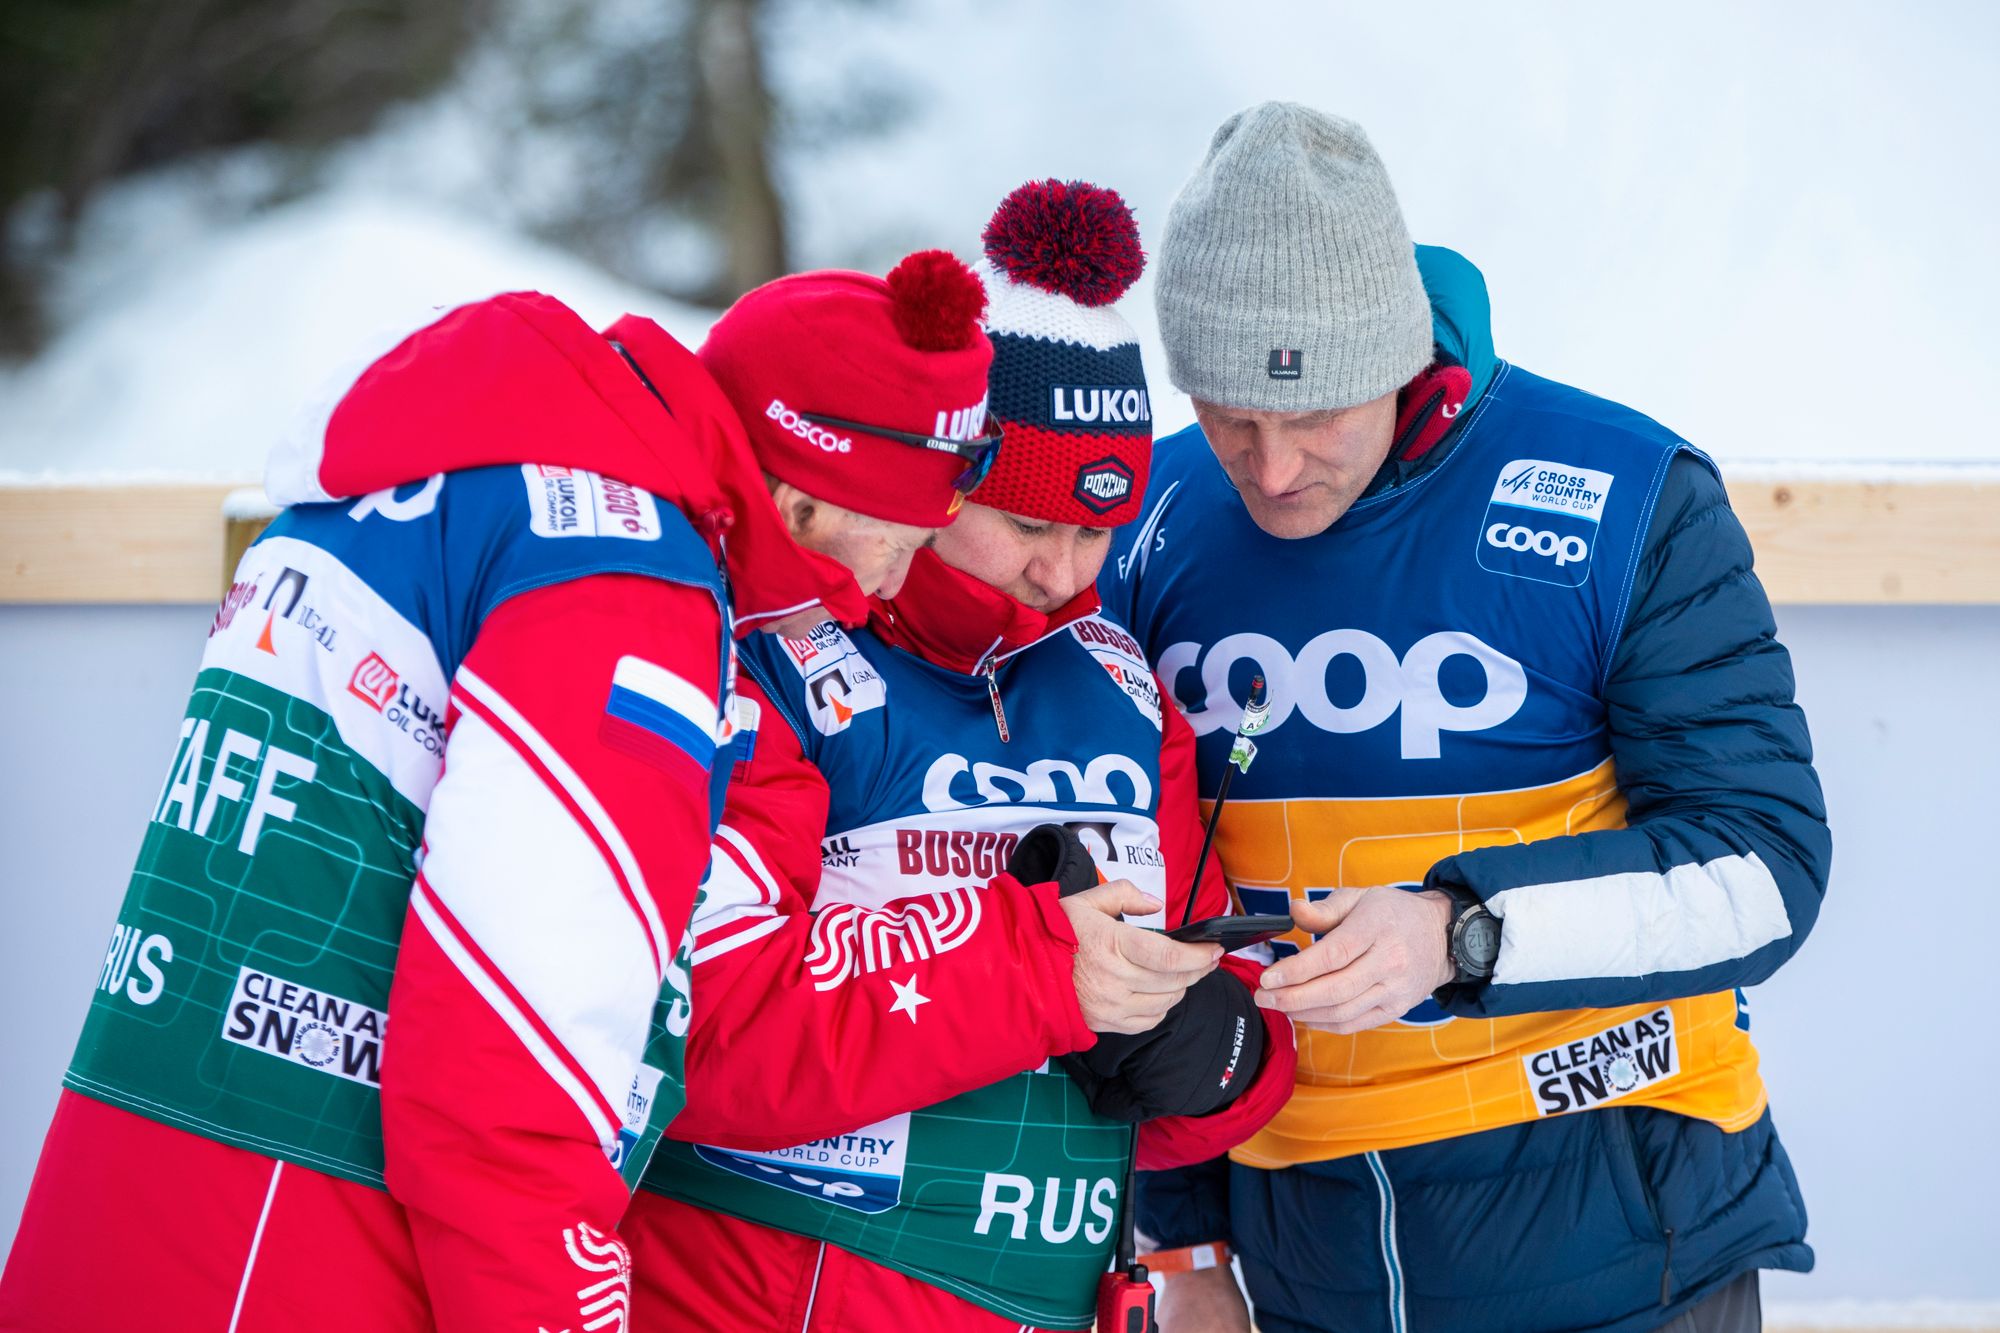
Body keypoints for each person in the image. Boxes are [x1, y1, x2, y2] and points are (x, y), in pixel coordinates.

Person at [0, 250, 999, 1332]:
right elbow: (510, 1068)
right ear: (808, 497)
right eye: (898, 544)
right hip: (316, 1256)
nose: (883, 596)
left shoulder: (443, 479)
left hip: (137, 1202)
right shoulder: (625, 585)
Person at [1103, 104, 1831, 1333]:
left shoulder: (1623, 493)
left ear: (1394, 360)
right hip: (1302, 1261)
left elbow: (1761, 866)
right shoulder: (1153, 517)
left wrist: (1458, 933)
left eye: (1316, 415)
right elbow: (1148, 897)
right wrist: (1183, 1247)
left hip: (1623, 1240)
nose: (1273, 470)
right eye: (1231, 418)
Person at [622, 179, 1297, 1332]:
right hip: (753, 1287)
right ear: (935, 483)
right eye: (1028, 525)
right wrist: (1033, 971)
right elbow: (691, 1032)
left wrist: (1218, 1057)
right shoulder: (768, 652)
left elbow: (1217, 984)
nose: (1064, 575)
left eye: (1097, 529)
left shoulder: (1120, 687)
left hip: (1027, 1293)